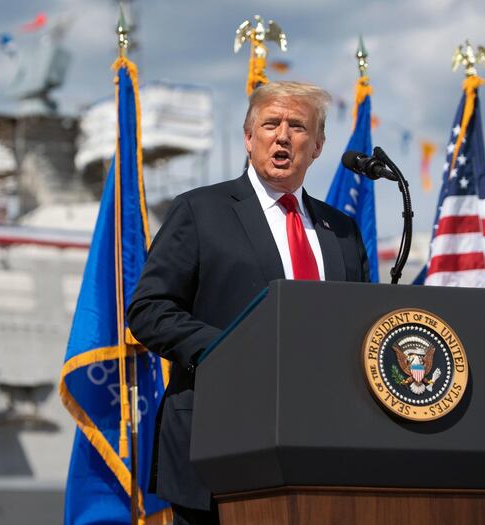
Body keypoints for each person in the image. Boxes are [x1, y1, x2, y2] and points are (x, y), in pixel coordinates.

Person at [126, 81, 370, 524]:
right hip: (222, 441)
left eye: (297, 126)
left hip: (323, 449)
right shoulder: (201, 211)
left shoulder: (344, 231)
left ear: (317, 146)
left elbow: (361, 327)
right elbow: (148, 309)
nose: (282, 136)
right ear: (248, 137)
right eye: (270, 123)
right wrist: (227, 351)